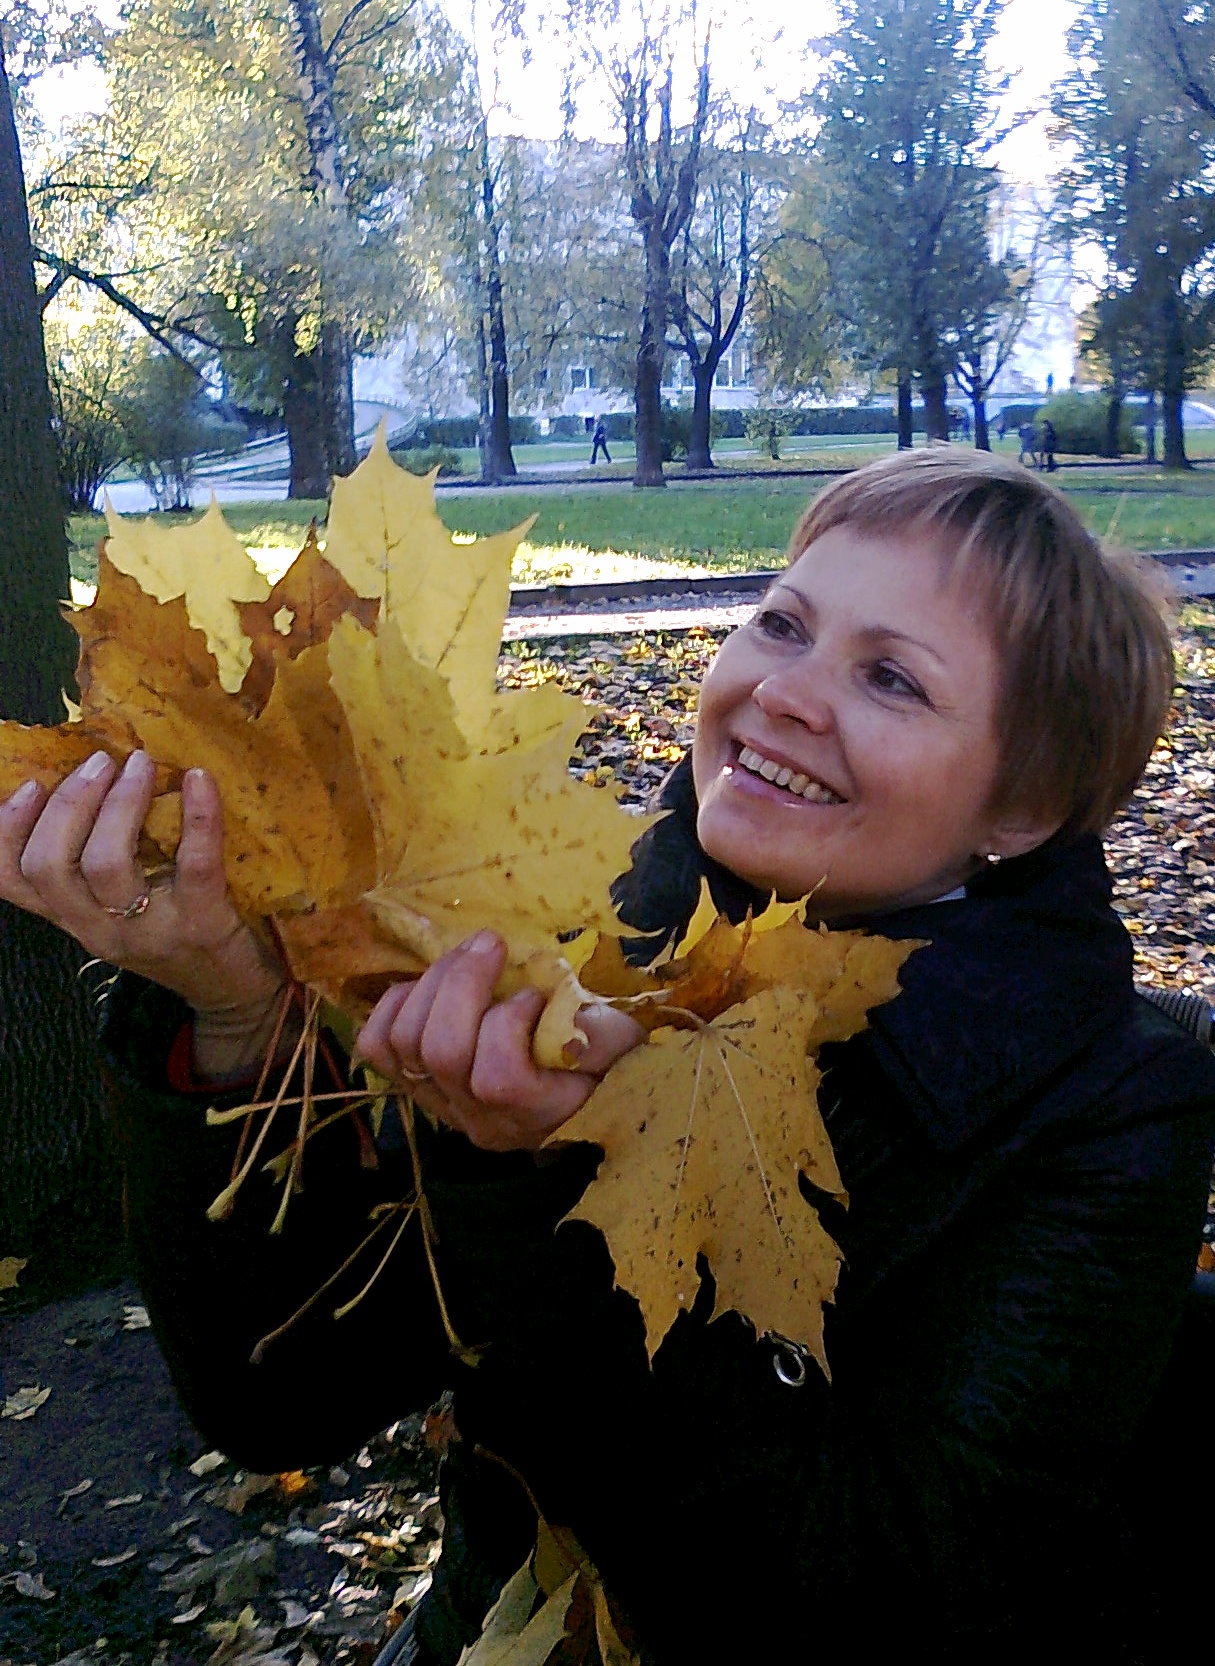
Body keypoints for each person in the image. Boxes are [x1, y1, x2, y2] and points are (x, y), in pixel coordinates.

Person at [2, 451, 1213, 1665]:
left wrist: (540, 1180)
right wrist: (230, 1011)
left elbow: (865, 1604)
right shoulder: (577, 933)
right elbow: (280, 1396)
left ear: (1023, 806)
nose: (786, 692)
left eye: (891, 678)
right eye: (782, 623)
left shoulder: (1110, 1112)